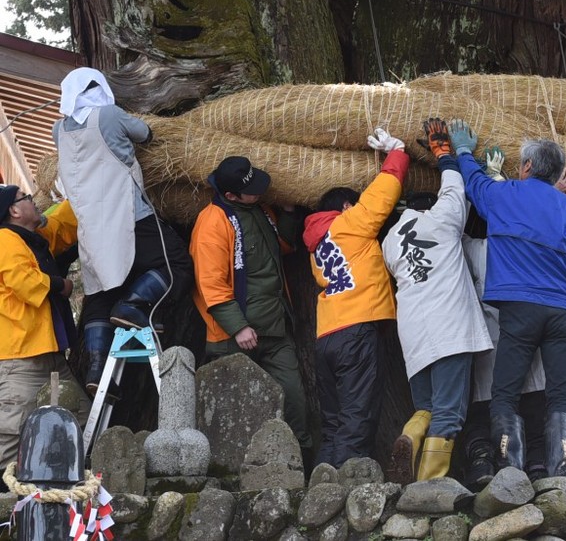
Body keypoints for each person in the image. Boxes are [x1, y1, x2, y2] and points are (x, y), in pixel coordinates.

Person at [451, 119, 566, 477]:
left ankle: (509, 473)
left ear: (527, 166)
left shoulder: (505, 195)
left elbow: (476, 184)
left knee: (505, 393)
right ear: (559, 173)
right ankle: (558, 474)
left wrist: (465, 152)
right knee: (559, 396)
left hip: (519, 312)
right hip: (562, 314)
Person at [52, 67, 192, 394]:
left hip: (90, 229)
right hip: (130, 216)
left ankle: (97, 369)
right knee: (176, 266)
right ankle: (133, 306)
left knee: (100, 292)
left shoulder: (58, 130)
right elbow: (145, 132)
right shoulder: (109, 115)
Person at [382, 119, 493, 482]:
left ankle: (409, 437)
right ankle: (429, 485)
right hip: (449, 330)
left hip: (413, 335)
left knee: (426, 407)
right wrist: (445, 153)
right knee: (448, 413)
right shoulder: (442, 221)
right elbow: (454, 188)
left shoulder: (391, 242)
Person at [190, 156, 311, 458]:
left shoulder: (258, 210)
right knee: (236, 407)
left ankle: (300, 462)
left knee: (294, 397)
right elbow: (210, 284)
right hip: (234, 336)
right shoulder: (212, 222)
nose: (259, 192)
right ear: (230, 195)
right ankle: (234, 473)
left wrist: (287, 214)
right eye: (252, 190)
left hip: (274, 325)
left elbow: (278, 246)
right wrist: (239, 326)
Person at [305, 127, 409, 468]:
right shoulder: (349, 223)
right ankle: (347, 493)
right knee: (357, 416)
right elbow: (384, 193)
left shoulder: (317, 243)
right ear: (347, 206)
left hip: (326, 336)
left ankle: (322, 486)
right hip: (356, 331)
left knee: (334, 423)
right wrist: (396, 152)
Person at [0, 186, 91, 471]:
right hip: (21, 359)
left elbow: (60, 223)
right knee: (12, 435)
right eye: (26, 198)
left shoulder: (32, 239)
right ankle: (6, 504)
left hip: (49, 354)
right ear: (14, 210)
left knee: (84, 417)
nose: (33, 200)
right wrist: (61, 285)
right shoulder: (4, 239)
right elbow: (25, 282)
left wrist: (83, 186)